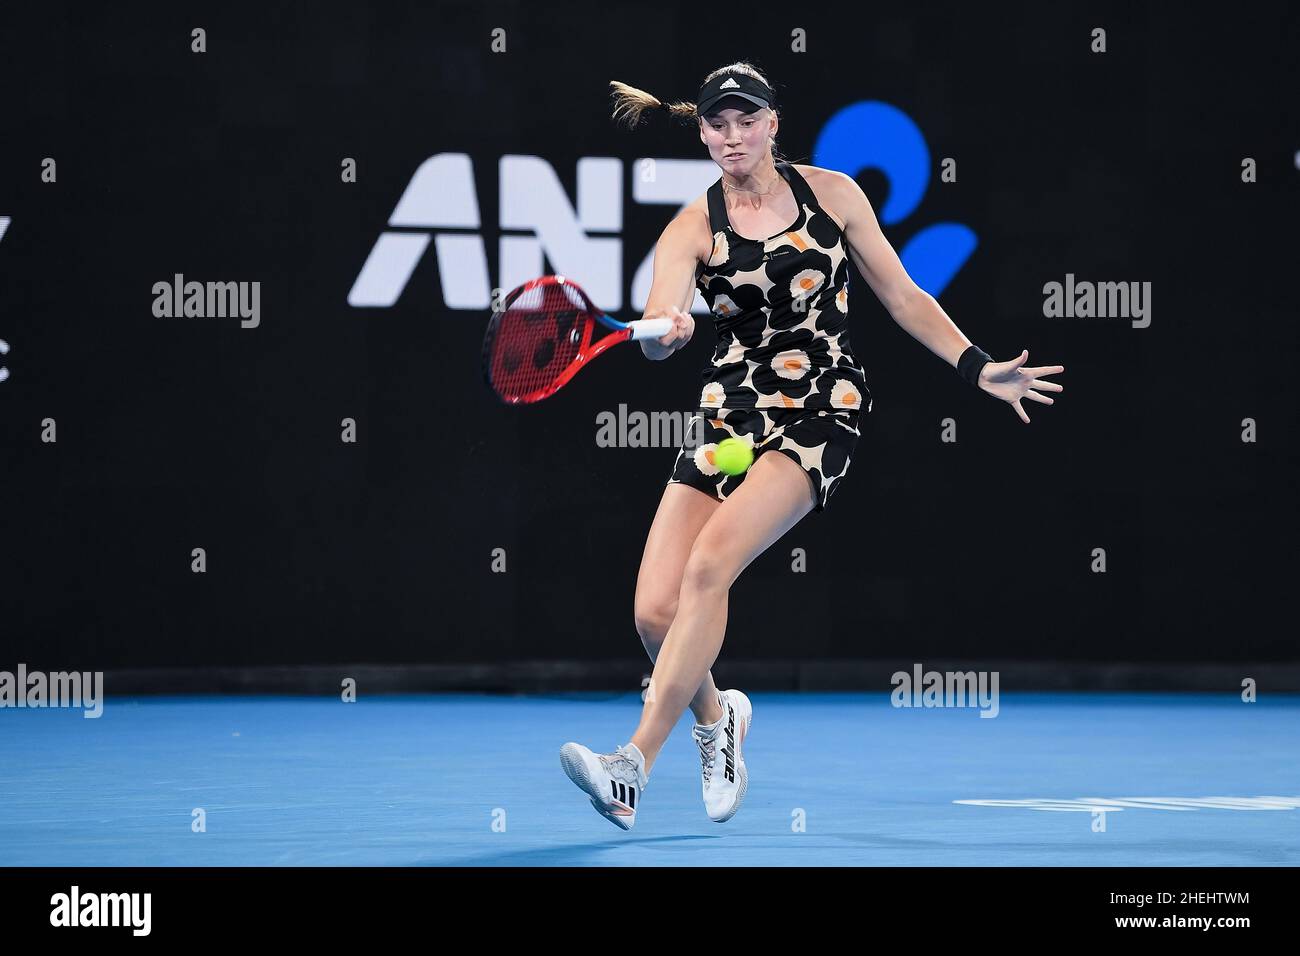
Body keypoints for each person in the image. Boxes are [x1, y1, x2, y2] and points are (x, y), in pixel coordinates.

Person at [559, 62, 1064, 829]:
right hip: (727, 423)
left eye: (746, 120)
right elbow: (662, 326)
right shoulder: (690, 228)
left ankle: (632, 764)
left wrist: (978, 366)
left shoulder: (833, 195)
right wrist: (669, 331)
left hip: (820, 411)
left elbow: (902, 295)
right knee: (655, 614)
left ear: (771, 125)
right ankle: (718, 720)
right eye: (717, 124)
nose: (732, 136)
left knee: (710, 564)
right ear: (702, 131)